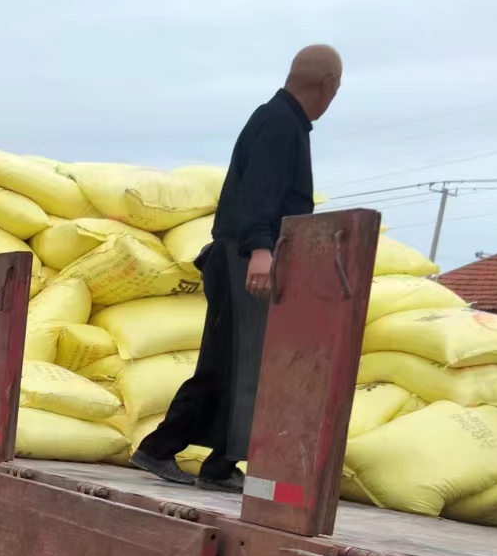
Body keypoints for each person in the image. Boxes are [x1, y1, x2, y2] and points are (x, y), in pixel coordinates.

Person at [132, 44, 343, 492]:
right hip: (243, 259)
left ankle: (216, 463)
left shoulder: (284, 121)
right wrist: (261, 250)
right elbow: (259, 195)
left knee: (239, 365)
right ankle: (164, 449)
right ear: (328, 85)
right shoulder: (279, 122)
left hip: (245, 257)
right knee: (236, 365)